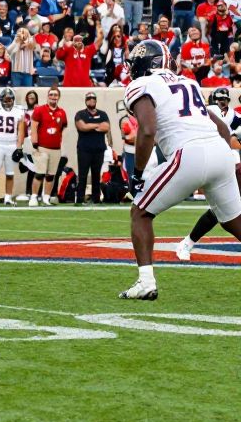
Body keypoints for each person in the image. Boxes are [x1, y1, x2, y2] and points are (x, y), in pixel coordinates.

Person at [120, 39, 241, 299]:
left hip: (188, 154)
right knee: (235, 222)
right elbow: (222, 129)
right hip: (220, 152)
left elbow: (148, 130)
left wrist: (138, 175)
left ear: (144, 63)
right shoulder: (188, 82)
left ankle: (146, 282)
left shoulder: (141, 84)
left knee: (140, 213)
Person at [175, 87, 241, 261]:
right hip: (214, 160)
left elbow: (234, 135)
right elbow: (232, 139)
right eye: (219, 99)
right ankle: (187, 242)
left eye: (225, 99)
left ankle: (187, 243)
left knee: (220, 209)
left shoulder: (231, 115)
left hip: (224, 160)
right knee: (222, 209)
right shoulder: (209, 111)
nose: (223, 102)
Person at [29, 87, 69, 206]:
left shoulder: (62, 112)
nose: (53, 97)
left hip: (56, 148)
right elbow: (34, 126)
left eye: (55, 95)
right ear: (47, 96)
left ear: (58, 97)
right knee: (39, 173)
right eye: (51, 94)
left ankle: (46, 197)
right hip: (42, 146)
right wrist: (34, 141)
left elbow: (63, 128)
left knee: (51, 175)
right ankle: (34, 197)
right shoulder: (40, 110)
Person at [74, 91, 111, 206]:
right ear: (86, 101)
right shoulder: (80, 114)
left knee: (96, 175)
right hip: (84, 149)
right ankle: (79, 199)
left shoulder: (103, 114)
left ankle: (96, 198)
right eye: (89, 99)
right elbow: (82, 127)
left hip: (99, 149)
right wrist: (97, 125)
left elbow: (106, 127)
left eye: (93, 98)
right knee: (83, 175)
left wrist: (90, 125)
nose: (91, 100)